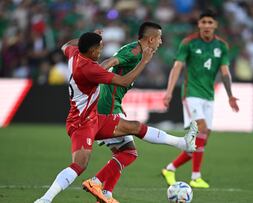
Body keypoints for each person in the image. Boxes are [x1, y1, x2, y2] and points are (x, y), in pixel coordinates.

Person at [34, 28, 198, 203]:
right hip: (81, 123)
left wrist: (88, 37)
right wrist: (144, 61)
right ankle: (45, 199)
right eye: (98, 48)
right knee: (80, 164)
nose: (101, 50)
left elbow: (66, 45)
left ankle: (182, 143)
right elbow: (123, 81)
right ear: (90, 51)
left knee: (134, 128)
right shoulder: (89, 69)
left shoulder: (75, 53)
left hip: (95, 118)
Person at [86, 22, 181, 203]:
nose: (160, 42)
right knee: (129, 153)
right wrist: (94, 75)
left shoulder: (137, 50)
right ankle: (96, 182)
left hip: (111, 104)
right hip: (108, 107)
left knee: (124, 154)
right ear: (151, 39)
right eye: (159, 38)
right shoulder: (134, 52)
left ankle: (105, 195)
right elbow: (110, 62)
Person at [161, 10, 239, 189]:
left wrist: (230, 95)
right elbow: (177, 67)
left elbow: (225, 72)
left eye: (210, 22)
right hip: (191, 94)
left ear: (215, 25)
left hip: (209, 97)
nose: (206, 25)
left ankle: (170, 168)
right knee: (201, 129)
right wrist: (169, 92)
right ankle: (195, 177)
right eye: (203, 22)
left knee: (199, 141)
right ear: (199, 25)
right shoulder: (189, 43)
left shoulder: (222, 46)